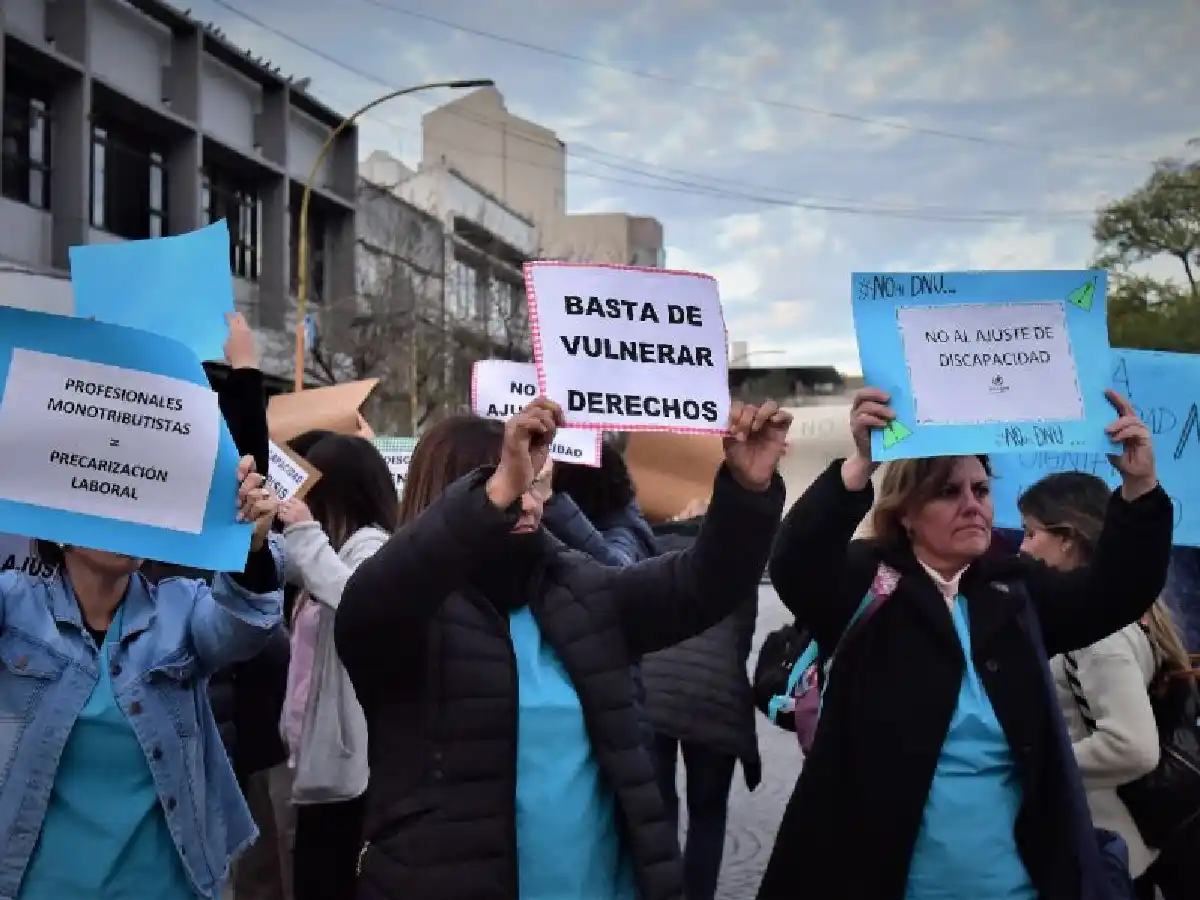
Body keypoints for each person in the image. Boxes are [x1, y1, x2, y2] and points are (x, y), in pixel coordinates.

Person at [334, 398, 790, 900]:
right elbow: (369, 606)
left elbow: (700, 586)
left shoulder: (574, 586)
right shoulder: (409, 614)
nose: (529, 503)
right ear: (456, 496)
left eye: (533, 484)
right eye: (508, 484)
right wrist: (494, 492)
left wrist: (747, 491)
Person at [757, 387, 1174, 899]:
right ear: (907, 512)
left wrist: (1139, 489)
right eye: (949, 492)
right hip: (889, 879)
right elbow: (794, 564)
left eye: (981, 489)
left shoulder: (1014, 592)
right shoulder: (867, 583)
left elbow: (1116, 591)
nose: (972, 505)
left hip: (1016, 884)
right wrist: (861, 462)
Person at [0, 456, 282, 900]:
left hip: (164, 887)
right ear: (56, 523)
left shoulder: (181, 610)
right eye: (104, 501)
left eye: (135, 500)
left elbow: (241, 625)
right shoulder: (14, 607)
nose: (127, 518)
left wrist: (253, 550)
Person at [1019, 471, 1199, 898]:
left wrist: (1036, 764)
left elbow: (1132, 746)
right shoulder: (1108, 617)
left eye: (1030, 533)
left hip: (1109, 848)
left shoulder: (1098, 638)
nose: (1021, 548)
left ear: (1067, 539)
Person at [275, 434, 399, 900]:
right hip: (316, 761)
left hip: (352, 777)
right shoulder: (334, 548)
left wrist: (305, 532)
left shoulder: (374, 548)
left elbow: (357, 601)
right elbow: (291, 566)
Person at [641, 497, 761, 900]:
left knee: (660, 808)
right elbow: (743, 634)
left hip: (653, 691)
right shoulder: (735, 554)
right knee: (708, 814)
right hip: (716, 699)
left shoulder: (646, 544)